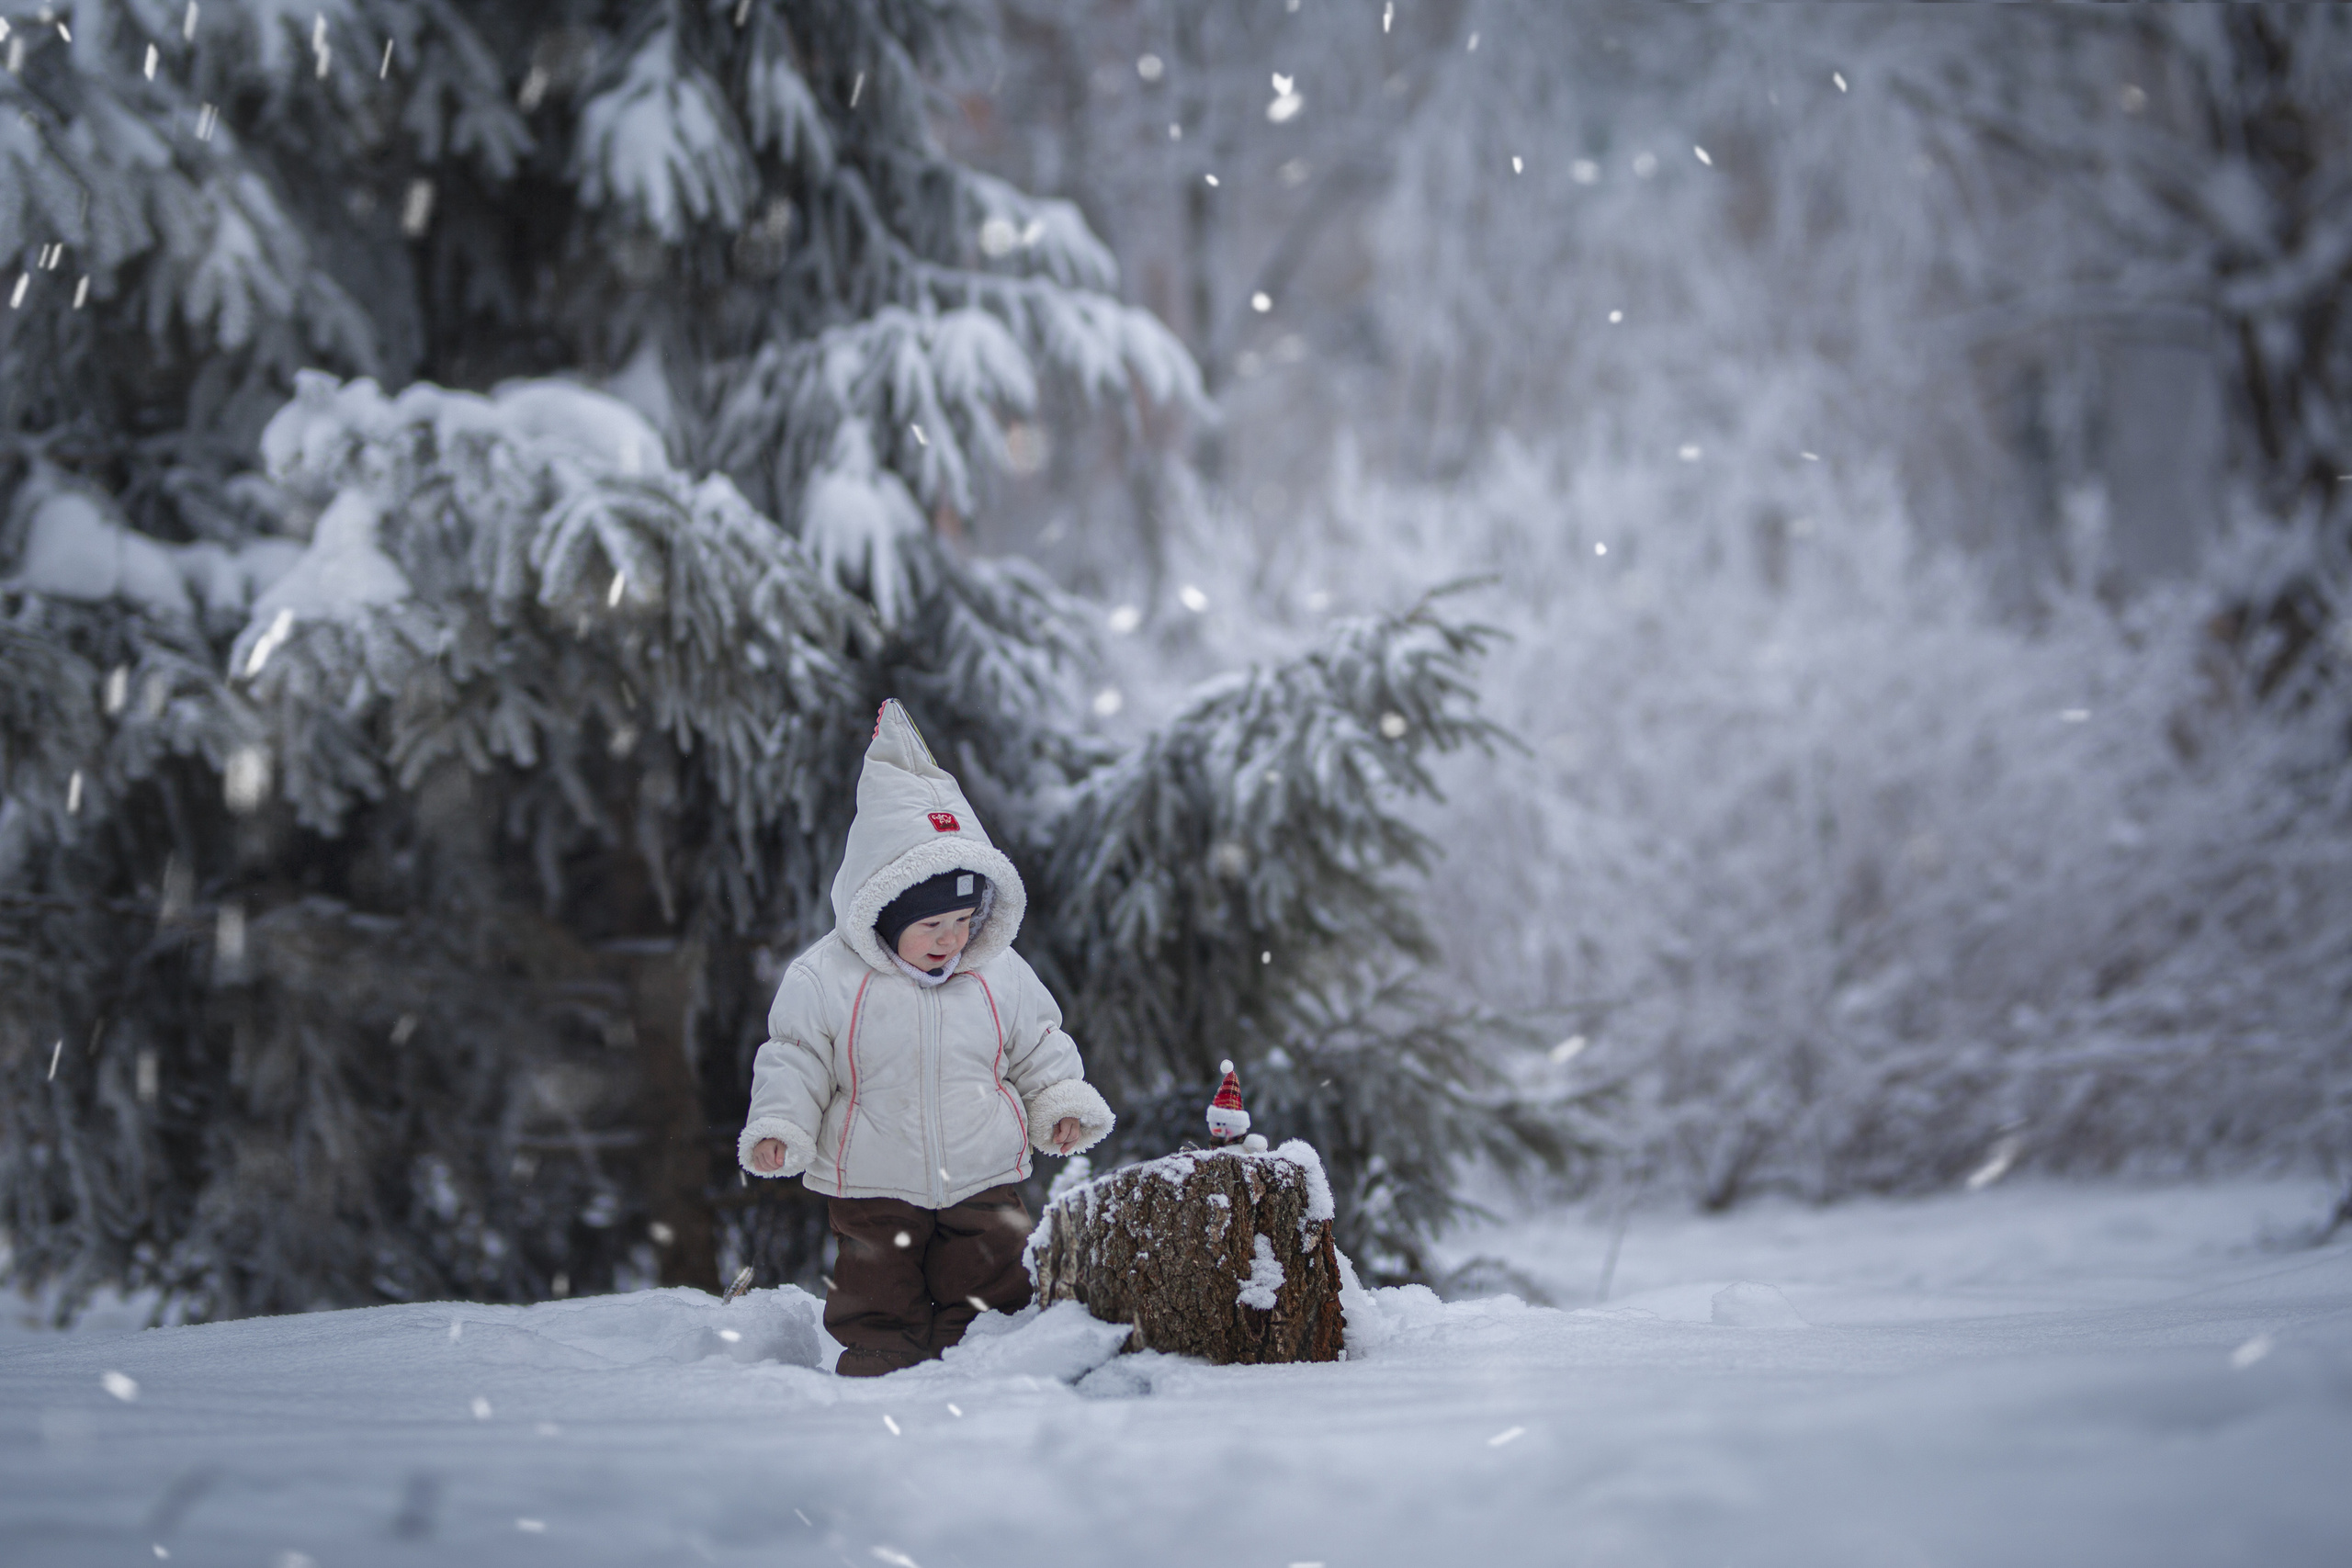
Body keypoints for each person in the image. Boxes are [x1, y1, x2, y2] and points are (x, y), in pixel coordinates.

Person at [739, 700, 1115, 1376]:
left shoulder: (999, 971)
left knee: (993, 1280)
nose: (952, 939)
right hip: (873, 1180)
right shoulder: (827, 977)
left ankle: (983, 1362)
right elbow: (795, 1058)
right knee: (877, 1286)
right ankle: (880, 1364)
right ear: (881, 913)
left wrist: (1058, 1102)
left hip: (984, 1173)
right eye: (933, 924)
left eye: (965, 920)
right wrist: (779, 1125)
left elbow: (1039, 1044)